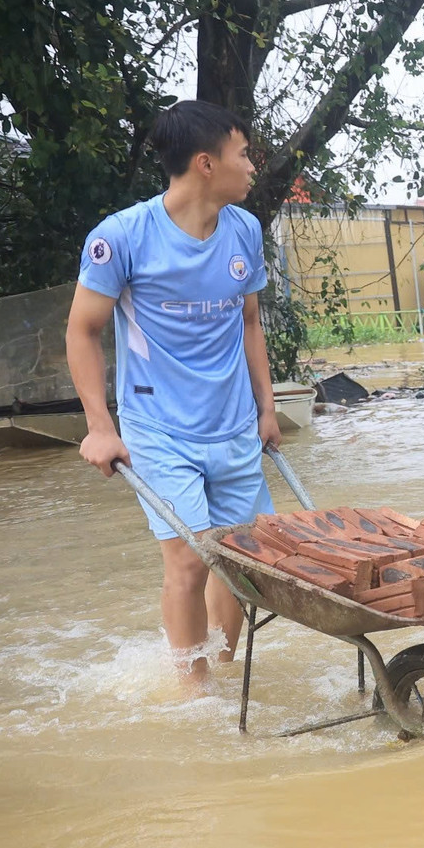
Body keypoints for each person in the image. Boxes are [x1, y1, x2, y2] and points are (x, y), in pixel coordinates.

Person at [65, 99, 281, 690]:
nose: (253, 166)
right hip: (159, 429)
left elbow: (250, 323)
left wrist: (266, 409)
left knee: (239, 558)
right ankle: (193, 694)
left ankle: (229, 677)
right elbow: (82, 331)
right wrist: (100, 427)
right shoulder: (123, 236)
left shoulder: (244, 230)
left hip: (234, 424)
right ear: (207, 164)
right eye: (244, 154)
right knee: (190, 558)